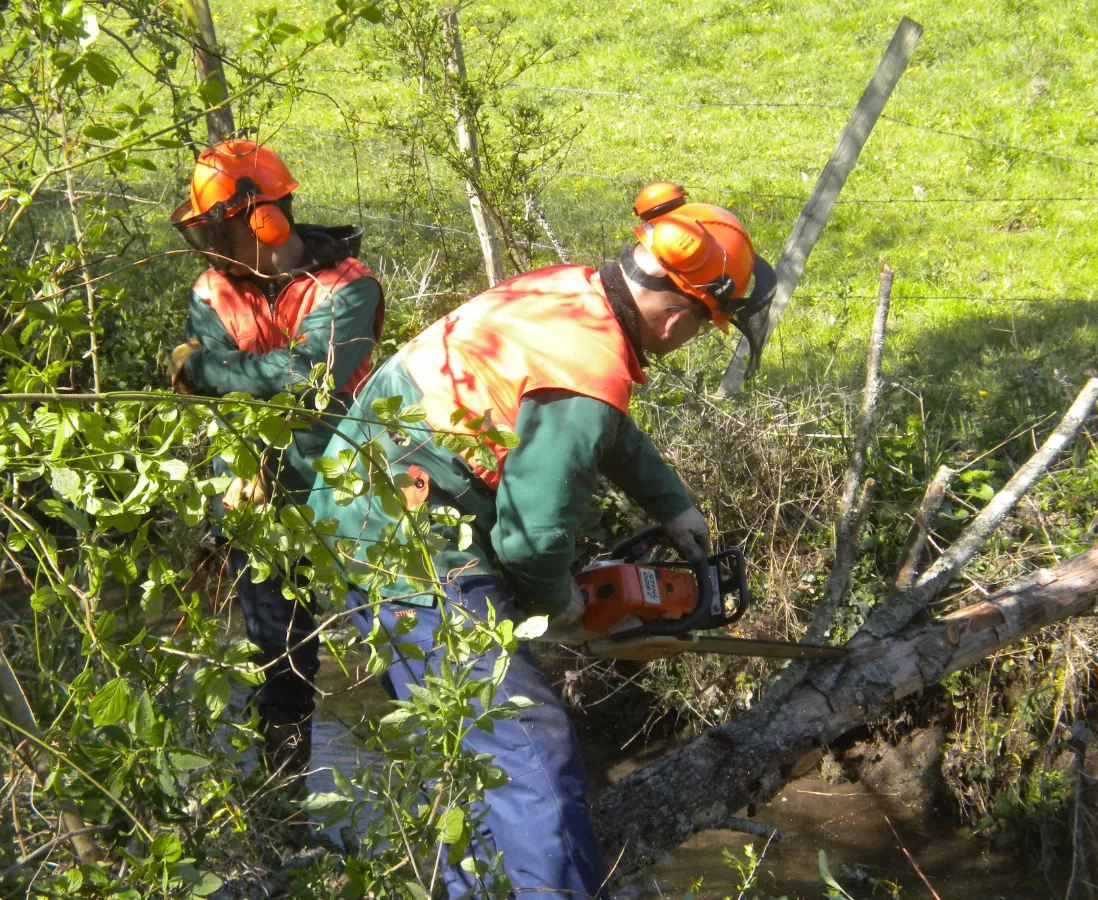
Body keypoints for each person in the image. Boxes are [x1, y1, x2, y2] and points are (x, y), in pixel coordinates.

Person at [310, 182, 775, 897]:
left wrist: (671, 503)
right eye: (702, 325)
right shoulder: (585, 368)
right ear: (680, 310)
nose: (687, 341)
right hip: (405, 531)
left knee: (471, 741)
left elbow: (597, 421)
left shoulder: (574, 292)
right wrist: (558, 606)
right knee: (527, 741)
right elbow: (532, 538)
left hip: (366, 499)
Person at [167, 139, 384, 764]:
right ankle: (283, 795)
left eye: (219, 229)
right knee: (278, 656)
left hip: (346, 484)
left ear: (264, 219)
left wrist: (207, 368)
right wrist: (242, 457)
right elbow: (231, 396)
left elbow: (306, 376)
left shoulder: (348, 287)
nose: (209, 247)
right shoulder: (212, 289)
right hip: (256, 487)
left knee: (393, 632)